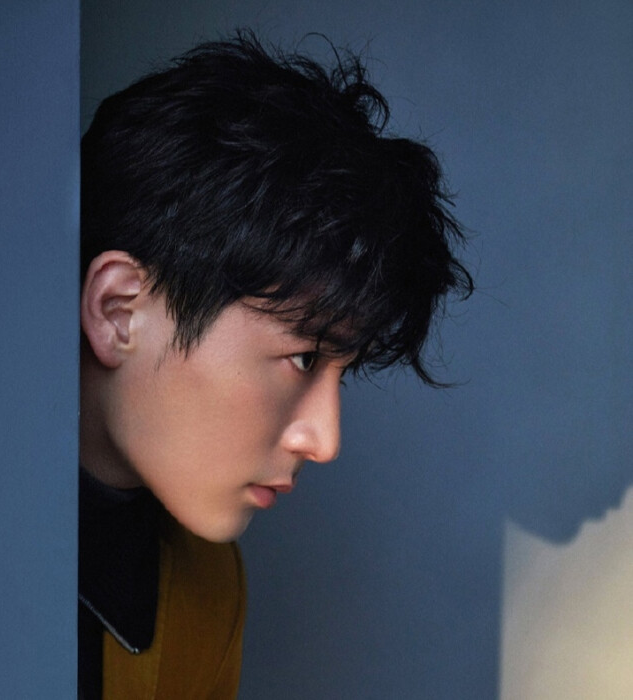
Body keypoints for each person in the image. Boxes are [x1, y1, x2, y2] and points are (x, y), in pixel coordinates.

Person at [78, 31, 472, 699]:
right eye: (302, 357)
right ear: (120, 312)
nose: (324, 441)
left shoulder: (208, 588)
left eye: (342, 371)